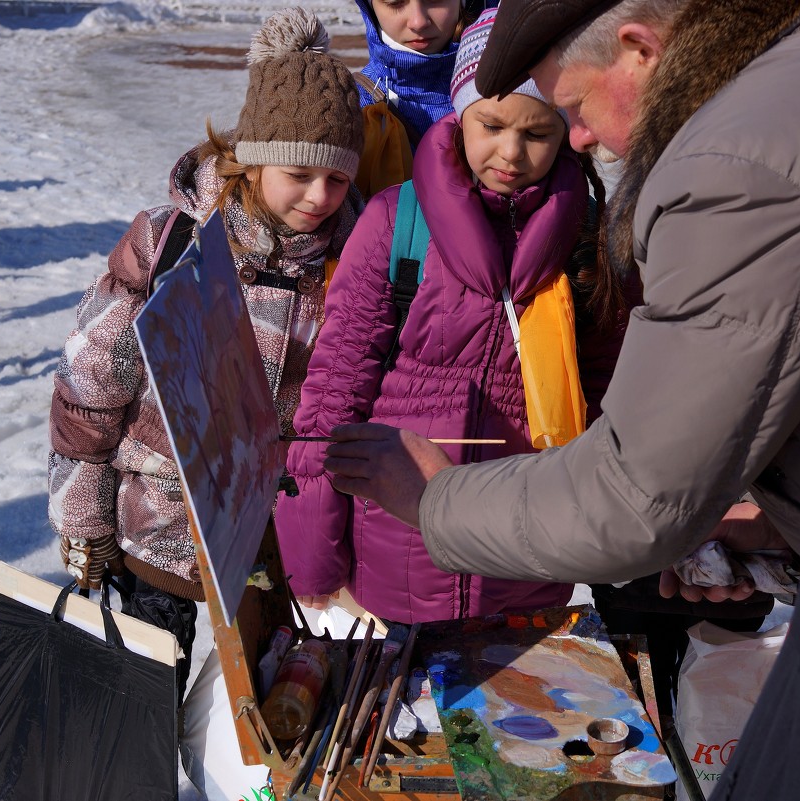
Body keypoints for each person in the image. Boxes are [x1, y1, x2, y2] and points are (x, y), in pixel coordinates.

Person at [321, 0, 800, 794]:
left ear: (638, 50)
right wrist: (773, 523)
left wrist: (433, 501)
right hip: (424, 567)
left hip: (526, 547)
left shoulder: (722, 170)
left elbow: (637, 487)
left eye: (568, 115)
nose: (582, 142)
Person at [47, 6, 364, 711]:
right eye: (299, 174)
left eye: (337, 181)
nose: (319, 198)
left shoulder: (352, 265)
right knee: (133, 724)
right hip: (151, 543)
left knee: (250, 738)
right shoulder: (174, 245)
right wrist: (84, 523)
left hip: (266, 559)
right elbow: (93, 381)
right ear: (252, 155)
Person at [275, 7, 631, 625]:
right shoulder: (396, 225)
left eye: (537, 133)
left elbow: (605, 402)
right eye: (491, 125)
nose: (510, 153)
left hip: (529, 555)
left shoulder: (587, 243)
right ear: (459, 114)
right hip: (394, 555)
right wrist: (313, 560)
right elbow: (333, 398)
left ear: (569, 130)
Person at [354, 0, 486, 144]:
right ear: (371, 8)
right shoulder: (354, 107)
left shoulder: (507, 90)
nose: (418, 22)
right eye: (395, 2)